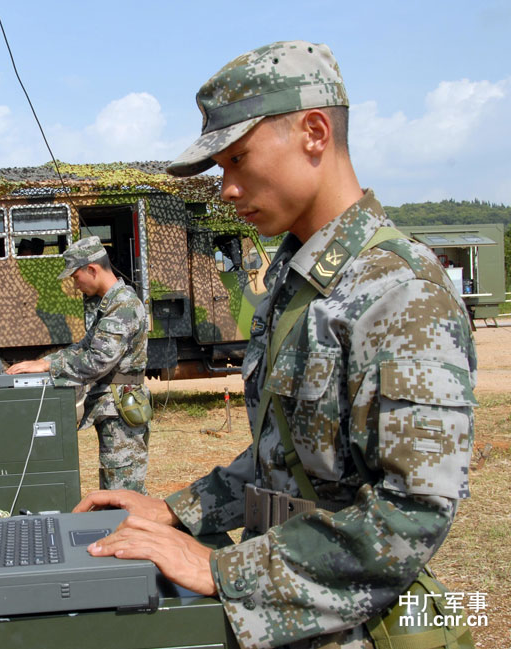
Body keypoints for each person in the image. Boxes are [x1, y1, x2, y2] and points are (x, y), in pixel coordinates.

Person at [74, 41, 477, 649]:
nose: (227, 188)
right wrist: (180, 510)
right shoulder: (299, 284)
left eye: (238, 159)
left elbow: (410, 516)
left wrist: (219, 568)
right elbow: (284, 458)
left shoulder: (401, 293)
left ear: (314, 131)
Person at [7, 236, 151, 492]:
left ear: (92, 269)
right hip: (114, 408)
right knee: (114, 485)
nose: (75, 285)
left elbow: (97, 360)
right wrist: (43, 361)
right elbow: (85, 346)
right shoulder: (110, 305)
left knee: (123, 491)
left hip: (121, 410)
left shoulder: (123, 307)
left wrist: (49, 367)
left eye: (75, 277)